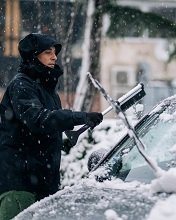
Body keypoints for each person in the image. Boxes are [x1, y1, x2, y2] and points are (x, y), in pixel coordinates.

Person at [0, 33, 103, 220]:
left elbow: (41, 130)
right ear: (33, 56)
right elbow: (39, 119)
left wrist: (61, 140)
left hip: (43, 185)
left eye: (54, 52)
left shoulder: (49, 92)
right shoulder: (21, 86)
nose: (54, 57)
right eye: (48, 52)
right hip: (20, 186)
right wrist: (79, 116)